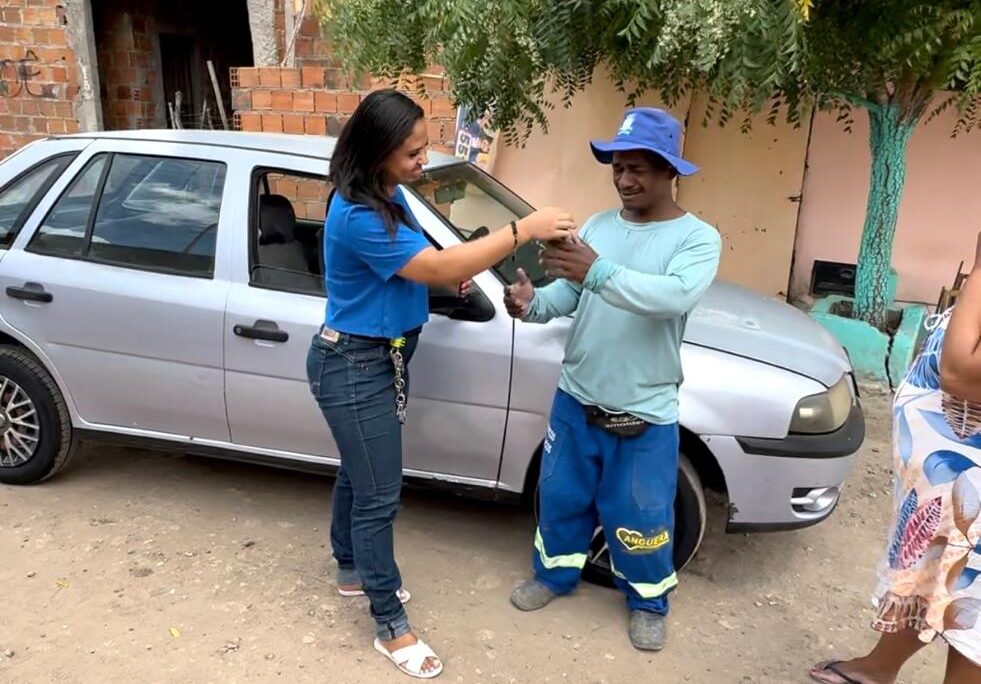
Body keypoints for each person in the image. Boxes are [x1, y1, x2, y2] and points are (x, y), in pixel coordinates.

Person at [306, 89, 575, 679]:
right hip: (353, 364)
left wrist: (441, 283)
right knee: (379, 493)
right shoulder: (356, 213)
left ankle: (350, 568)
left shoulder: (387, 195)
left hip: (378, 361)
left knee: (360, 473)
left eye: (424, 148)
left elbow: (420, 264)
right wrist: (521, 228)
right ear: (378, 152)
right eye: (412, 152)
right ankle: (390, 626)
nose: (421, 160)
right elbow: (434, 265)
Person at [504, 107, 722, 651]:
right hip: (576, 398)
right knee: (561, 498)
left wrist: (596, 270)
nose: (625, 179)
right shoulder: (599, 227)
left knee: (641, 512)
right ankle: (554, 575)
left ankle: (648, 601)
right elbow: (569, 297)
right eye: (618, 168)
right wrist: (531, 304)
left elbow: (671, 298)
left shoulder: (697, 239)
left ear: (670, 170)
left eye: (639, 168)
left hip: (644, 410)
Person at [810, 236, 981, 684]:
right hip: (951, 482)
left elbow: (961, 372)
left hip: (970, 489)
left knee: (972, 606)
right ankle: (880, 667)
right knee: (935, 574)